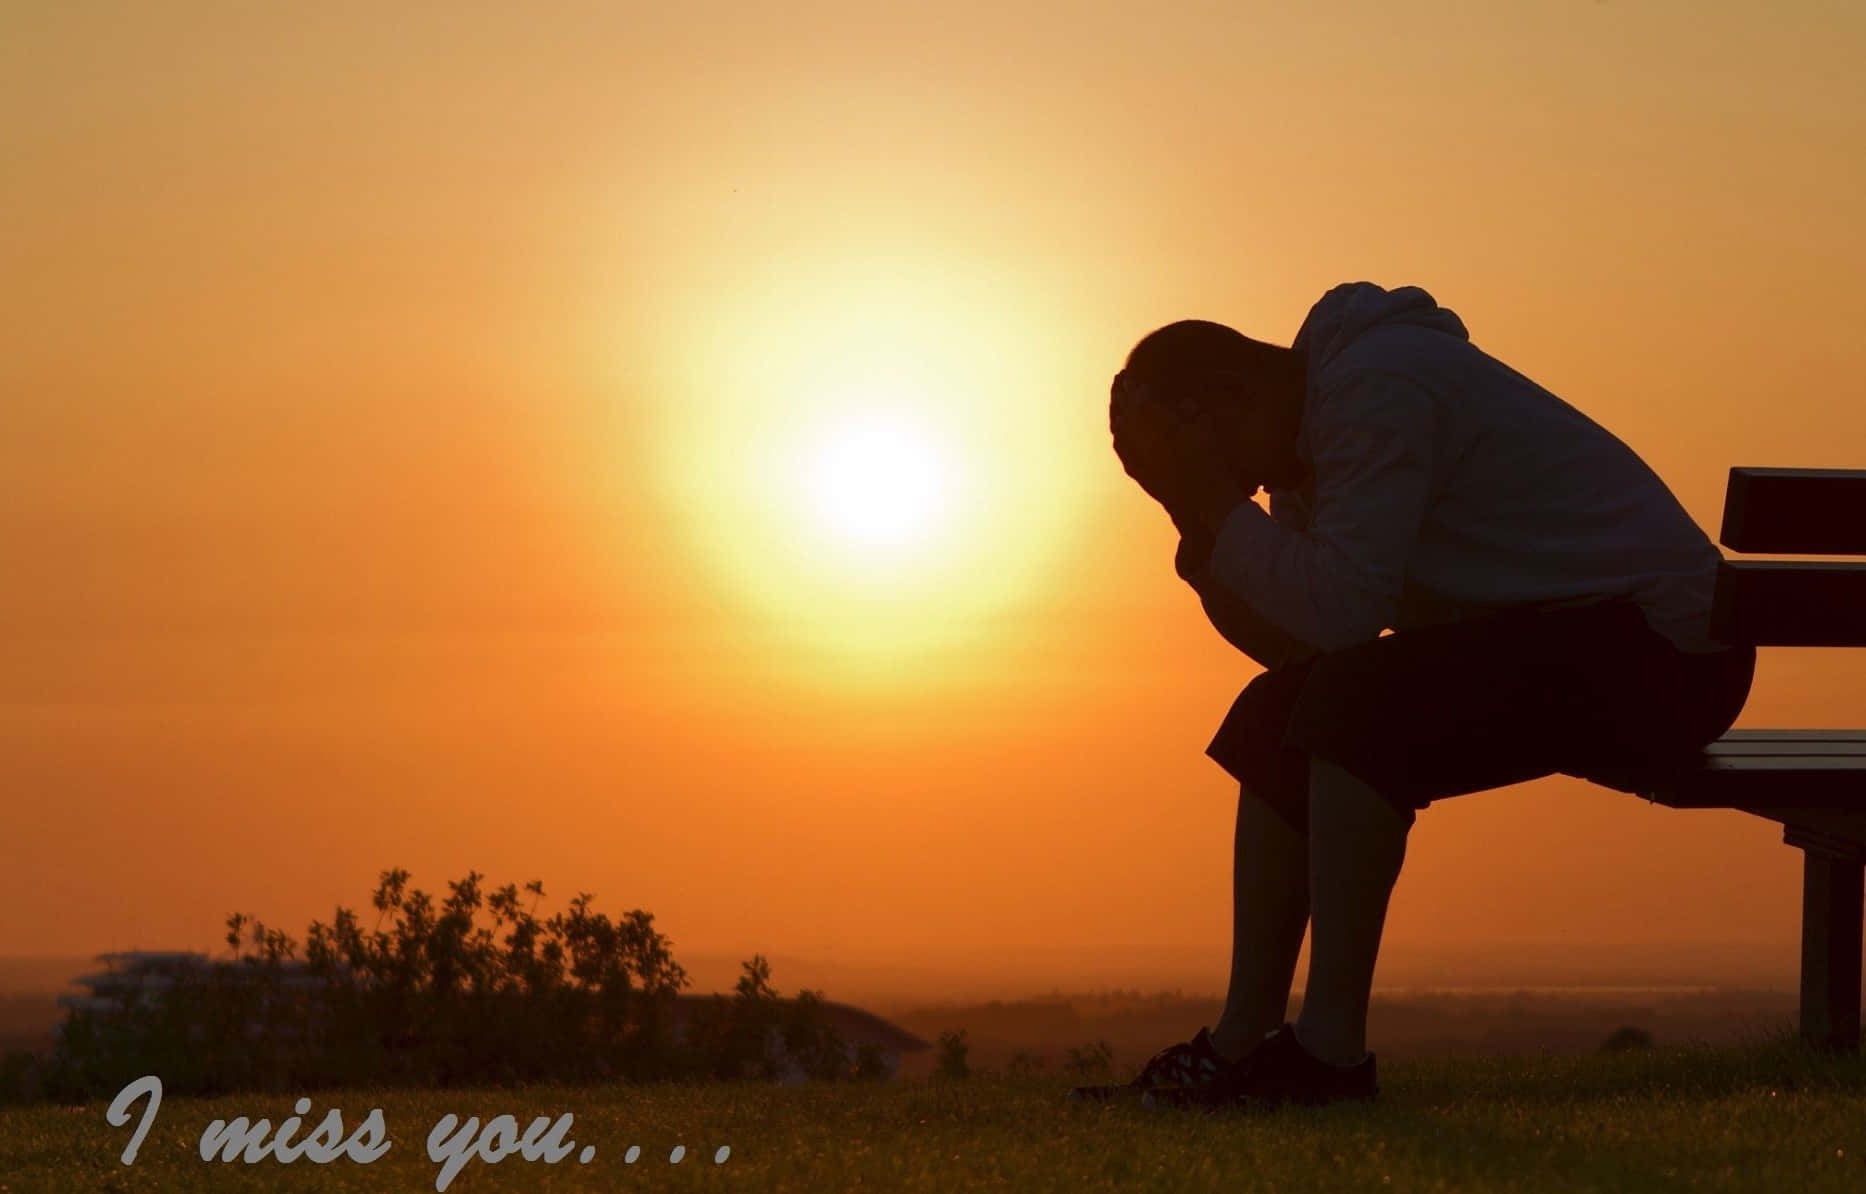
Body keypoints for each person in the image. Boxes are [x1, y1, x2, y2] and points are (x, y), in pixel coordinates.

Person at [1088, 281, 1755, 1112]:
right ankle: (1241, 1042)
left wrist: (1213, 502)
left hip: (1668, 653)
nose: (1232, 482)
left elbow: (1340, 626)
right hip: (1584, 641)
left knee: (1359, 711)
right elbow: (1294, 649)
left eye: (1204, 452)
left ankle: (1327, 1056)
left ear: (1231, 396)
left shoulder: (1378, 389)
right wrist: (1195, 516)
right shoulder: (1310, 448)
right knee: (1276, 715)